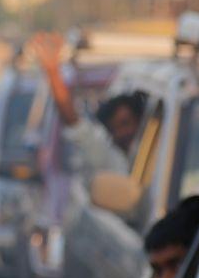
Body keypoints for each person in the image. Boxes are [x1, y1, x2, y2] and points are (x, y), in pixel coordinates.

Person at [29, 32, 142, 179]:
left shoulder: (166, 148)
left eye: (126, 123)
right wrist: (53, 72)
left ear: (140, 121)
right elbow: (73, 122)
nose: (124, 132)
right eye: (116, 128)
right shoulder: (108, 158)